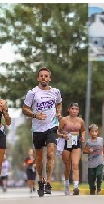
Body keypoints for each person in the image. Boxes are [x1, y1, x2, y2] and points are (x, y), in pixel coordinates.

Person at [22, 67, 62, 197]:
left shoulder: (55, 92)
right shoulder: (32, 93)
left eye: (46, 76)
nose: (44, 78)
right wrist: (35, 115)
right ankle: (40, 180)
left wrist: (58, 112)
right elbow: (24, 109)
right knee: (39, 157)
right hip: (38, 128)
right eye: (41, 76)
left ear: (49, 78)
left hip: (52, 126)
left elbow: (59, 103)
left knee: (50, 153)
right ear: (38, 78)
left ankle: (48, 182)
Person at [58, 103, 86, 196]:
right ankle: (66, 185)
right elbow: (57, 132)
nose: (74, 111)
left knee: (75, 164)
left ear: (78, 111)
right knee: (67, 166)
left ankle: (75, 187)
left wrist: (83, 136)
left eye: (76, 109)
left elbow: (83, 130)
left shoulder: (80, 121)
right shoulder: (64, 120)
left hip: (76, 144)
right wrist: (63, 135)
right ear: (68, 110)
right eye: (72, 109)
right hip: (66, 144)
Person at [83, 124, 104, 195]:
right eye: (92, 131)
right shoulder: (88, 142)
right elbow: (84, 151)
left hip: (100, 161)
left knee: (99, 174)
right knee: (91, 178)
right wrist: (89, 151)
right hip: (91, 162)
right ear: (89, 133)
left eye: (95, 131)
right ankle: (92, 189)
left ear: (97, 132)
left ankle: (99, 189)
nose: (94, 133)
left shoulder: (101, 140)